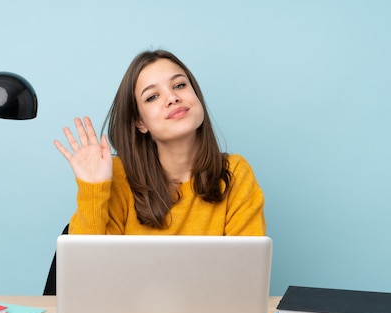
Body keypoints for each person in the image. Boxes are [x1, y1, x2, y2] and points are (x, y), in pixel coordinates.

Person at [54, 49, 265, 236]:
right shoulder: (118, 176)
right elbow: (86, 271)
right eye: (152, 97)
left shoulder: (234, 172)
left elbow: (247, 271)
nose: (172, 98)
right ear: (140, 122)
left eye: (180, 85)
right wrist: (93, 189)